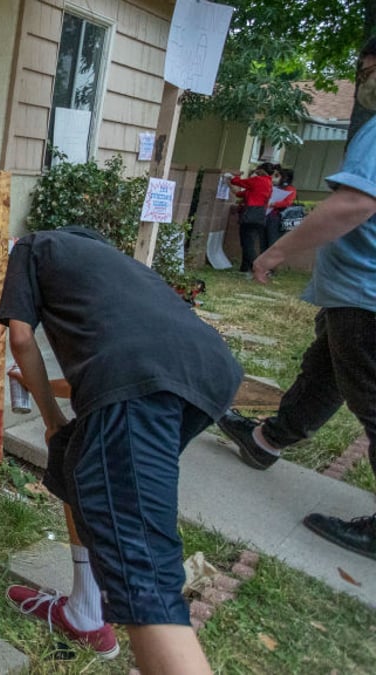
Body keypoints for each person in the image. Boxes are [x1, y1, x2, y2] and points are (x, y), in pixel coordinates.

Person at [0, 227, 241, 673]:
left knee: (144, 571)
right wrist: (45, 399)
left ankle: (117, 622)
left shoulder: (32, 246)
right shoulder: (112, 265)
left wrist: (51, 418)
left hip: (138, 383)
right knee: (76, 461)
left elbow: (20, 339)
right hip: (211, 373)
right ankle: (85, 614)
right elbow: (119, 373)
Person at [217, 37, 376, 561]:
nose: (366, 80)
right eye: (364, 68)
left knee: (370, 400)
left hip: (367, 294)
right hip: (353, 292)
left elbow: (353, 203)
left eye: (373, 69)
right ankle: (265, 441)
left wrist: (275, 254)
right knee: (325, 372)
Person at [227, 163, 274, 273]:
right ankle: (244, 268)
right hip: (260, 214)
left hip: (250, 213)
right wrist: (229, 185)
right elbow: (239, 194)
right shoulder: (268, 183)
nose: (256, 171)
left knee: (247, 242)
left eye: (258, 169)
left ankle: (256, 267)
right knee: (249, 241)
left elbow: (238, 182)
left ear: (262, 171)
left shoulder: (258, 180)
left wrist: (232, 176)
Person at [265, 167, 297, 247]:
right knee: (264, 240)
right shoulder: (275, 186)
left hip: (277, 217)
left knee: (272, 240)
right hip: (268, 215)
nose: (275, 178)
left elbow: (287, 202)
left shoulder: (290, 189)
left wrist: (274, 204)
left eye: (278, 176)